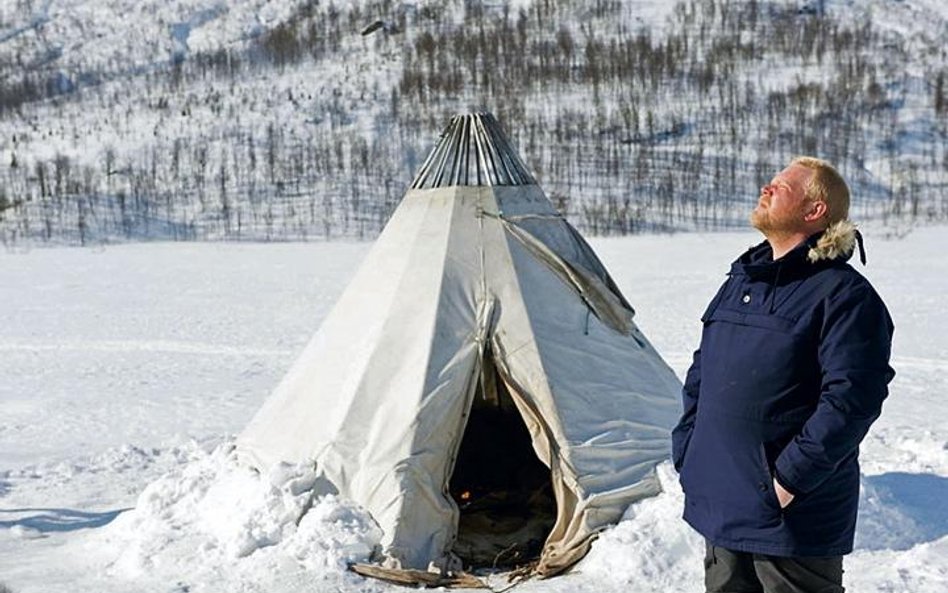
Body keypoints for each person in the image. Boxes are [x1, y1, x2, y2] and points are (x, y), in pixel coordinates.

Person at [671, 156, 895, 593]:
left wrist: (787, 480)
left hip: (790, 523)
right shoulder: (741, 282)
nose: (766, 189)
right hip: (721, 505)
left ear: (814, 211)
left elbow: (851, 401)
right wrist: (690, 450)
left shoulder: (844, 296)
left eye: (782, 186)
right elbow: (703, 373)